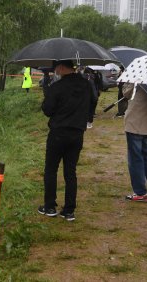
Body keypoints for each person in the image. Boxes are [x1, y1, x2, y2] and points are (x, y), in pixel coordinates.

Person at [38, 60, 93, 222]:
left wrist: (47, 92)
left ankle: (49, 206)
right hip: (77, 134)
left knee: (51, 169)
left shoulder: (57, 87)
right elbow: (92, 103)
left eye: (56, 68)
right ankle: (69, 211)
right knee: (70, 172)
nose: (55, 70)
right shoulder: (86, 85)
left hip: (58, 133)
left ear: (61, 68)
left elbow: (47, 110)